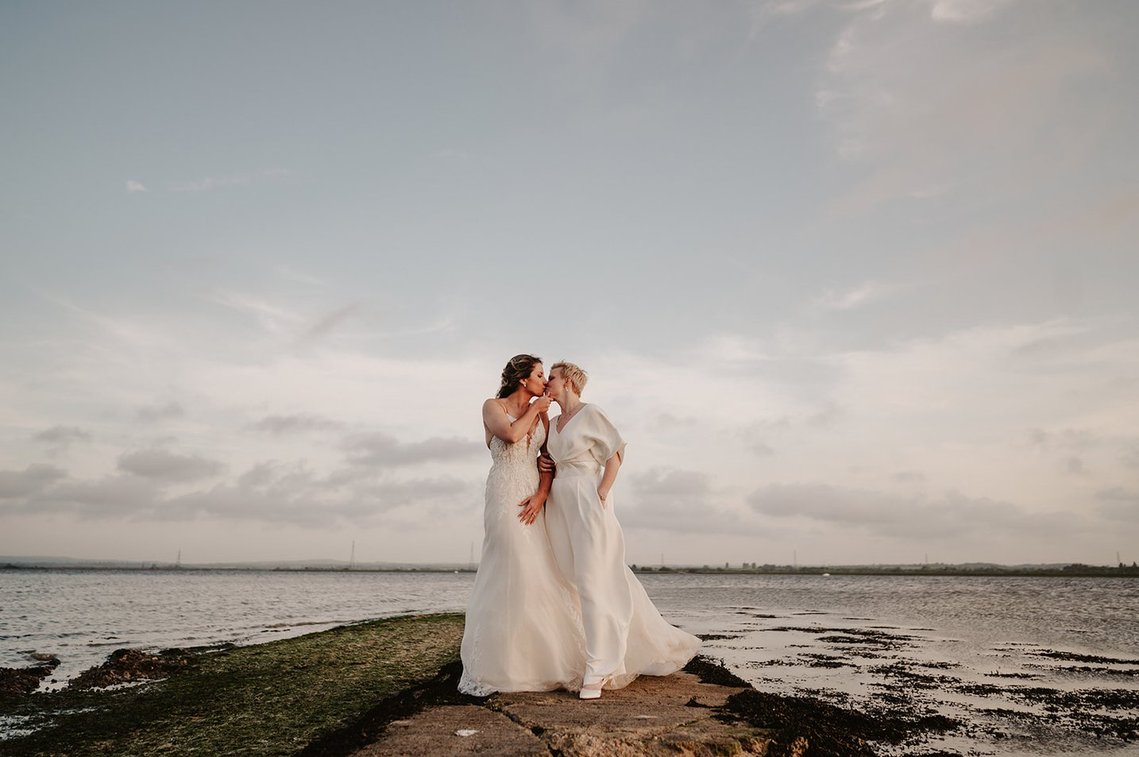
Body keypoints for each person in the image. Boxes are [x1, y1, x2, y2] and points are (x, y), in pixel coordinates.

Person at [544, 360, 701, 699]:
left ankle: (598, 668)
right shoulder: (553, 421)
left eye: (552, 378)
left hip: (587, 499)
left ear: (569, 381)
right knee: (570, 577)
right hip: (558, 504)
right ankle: (598, 648)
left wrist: (601, 492)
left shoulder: (591, 413)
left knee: (590, 580)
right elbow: (548, 457)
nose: (547, 383)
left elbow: (616, 454)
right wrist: (547, 462)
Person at [458, 354, 586, 696]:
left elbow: (549, 461)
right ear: (522, 379)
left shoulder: (542, 411)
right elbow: (513, 436)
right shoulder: (492, 407)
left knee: (538, 568)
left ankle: (540, 658)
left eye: (546, 376)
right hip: (503, 494)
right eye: (540, 374)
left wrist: (543, 495)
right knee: (509, 565)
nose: (545, 381)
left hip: (532, 495)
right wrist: (537, 407)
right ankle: (501, 662)